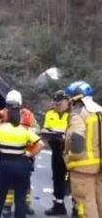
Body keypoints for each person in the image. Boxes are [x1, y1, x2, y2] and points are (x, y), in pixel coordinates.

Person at [0, 103, 45, 218]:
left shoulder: (0, 129)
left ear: (7, 117)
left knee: (0, 196)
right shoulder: (24, 131)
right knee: (20, 199)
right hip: (21, 165)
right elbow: (40, 144)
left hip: (4, 165)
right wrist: (30, 154)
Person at [63, 81, 102, 218]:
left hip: (82, 169)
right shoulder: (99, 111)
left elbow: (78, 139)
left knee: (86, 206)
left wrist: (70, 157)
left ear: (75, 97)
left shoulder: (78, 114)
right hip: (99, 167)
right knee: (99, 202)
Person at [42, 90, 70, 216]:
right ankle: (58, 205)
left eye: (59, 103)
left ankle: (76, 208)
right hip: (56, 149)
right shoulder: (50, 114)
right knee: (57, 178)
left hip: (70, 152)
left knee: (73, 180)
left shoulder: (73, 115)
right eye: (55, 103)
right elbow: (46, 128)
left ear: (67, 102)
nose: (57, 105)